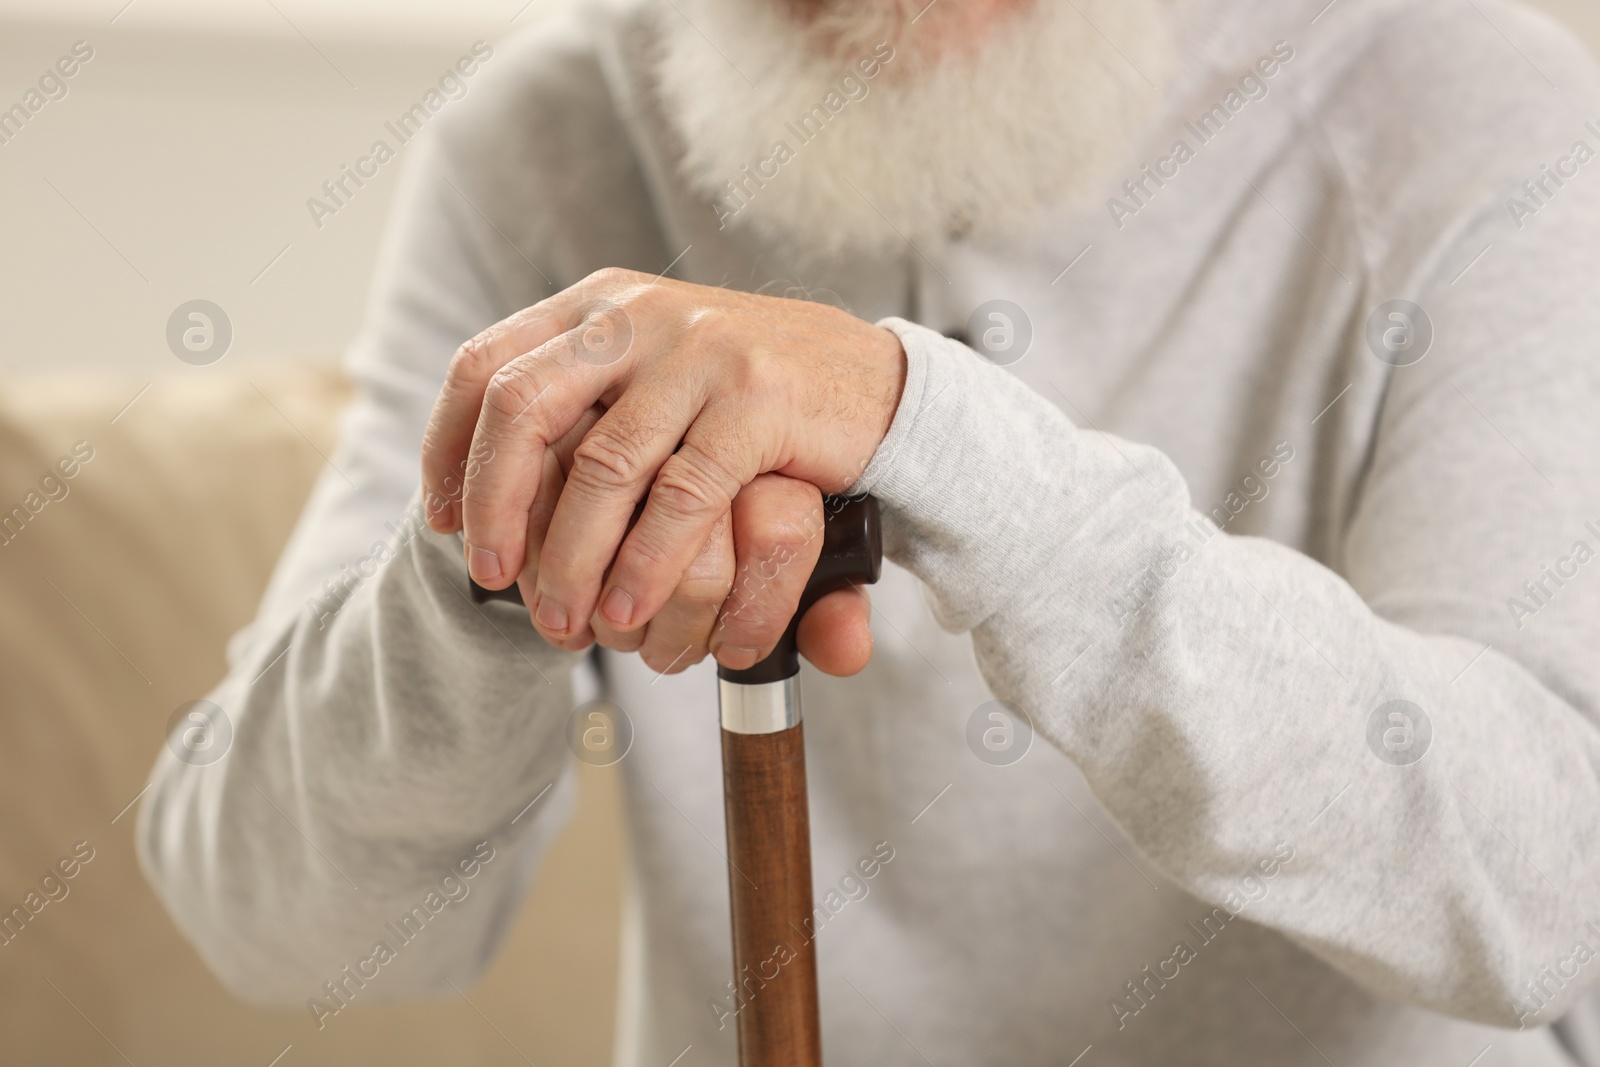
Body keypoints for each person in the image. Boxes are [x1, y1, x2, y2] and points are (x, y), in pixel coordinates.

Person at [138, 0, 1600, 1062]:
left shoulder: (1475, 112)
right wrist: (502, 539)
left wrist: (942, 438)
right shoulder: (552, 134)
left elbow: (1548, 886)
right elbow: (270, 918)